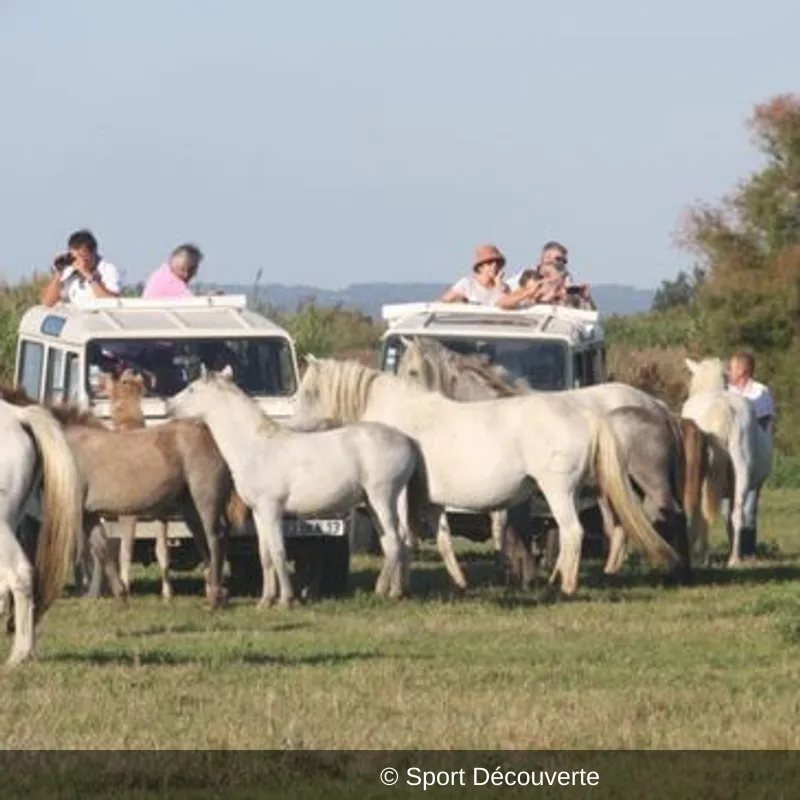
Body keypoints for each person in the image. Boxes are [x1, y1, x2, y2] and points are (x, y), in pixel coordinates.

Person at [726, 350, 775, 558]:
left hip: (753, 454)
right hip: (729, 455)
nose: (729, 371)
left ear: (743, 370)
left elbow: (764, 421)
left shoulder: (760, 391)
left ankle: (748, 550)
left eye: (733, 367)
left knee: (748, 507)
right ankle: (733, 547)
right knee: (725, 509)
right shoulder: (726, 393)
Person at [41, 229, 122, 307]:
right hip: (77, 317)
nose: (78, 261)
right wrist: (58, 272)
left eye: (81, 256)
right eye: (74, 257)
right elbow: (47, 303)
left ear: (92, 253)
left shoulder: (107, 269)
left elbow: (111, 303)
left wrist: (87, 274)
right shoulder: (70, 270)